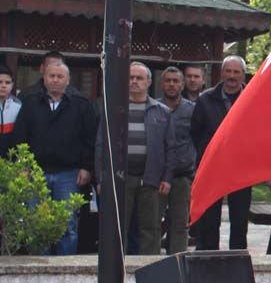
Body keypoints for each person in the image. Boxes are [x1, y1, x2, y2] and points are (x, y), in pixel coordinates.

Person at [11, 62, 96, 254]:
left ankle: (66, 265)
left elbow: (90, 139)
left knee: (67, 225)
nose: (55, 80)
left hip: (69, 174)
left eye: (60, 76)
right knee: (37, 223)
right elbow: (20, 136)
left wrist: (86, 167)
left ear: (68, 80)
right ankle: (41, 265)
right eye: (52, 76)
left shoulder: (81, 104)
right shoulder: (31, 103)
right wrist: (23, 166)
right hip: (36, 174)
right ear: (44, 78)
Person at [95, 62, 175, 254]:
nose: (134, 81)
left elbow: (170, 148)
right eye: (130, 77)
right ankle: (117, 264)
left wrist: (167, 177)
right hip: (121, 178)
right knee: (117, 227)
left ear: (149, 82)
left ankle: (150, 265)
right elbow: (101, 145)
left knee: (150, 228)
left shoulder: (161, 111)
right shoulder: (113, 109)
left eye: (139, 78)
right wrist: (101, 178)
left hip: (151, 179)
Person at [191, 56, 251, 250]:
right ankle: (209, 257)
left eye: (236, 72)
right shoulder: (205, 99)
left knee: (240, 219)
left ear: (243, 75)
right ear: (222, 73)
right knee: (209, 220)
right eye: (228, 71)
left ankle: (237, 258)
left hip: (241, 169)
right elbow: (195, 132)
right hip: (212, 168)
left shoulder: (252, 98)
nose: (232, 76)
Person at [158, 67, 196, 254]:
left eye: (175, 81)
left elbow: (198, 138)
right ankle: (150, 262)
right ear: (161, 84)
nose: (171, 84)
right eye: (168, 81)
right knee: (153, 223)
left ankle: (178, 261)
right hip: (157, 176)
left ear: (182, 84)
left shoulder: (192, 110)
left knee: (180, 224)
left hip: (182, 175)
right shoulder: (154, 108)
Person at [18, 51, 84, 100]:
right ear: (42, 68)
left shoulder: (75, 96)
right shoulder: (27, 95)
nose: (54, 70)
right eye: (50, 66)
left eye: (58, 66)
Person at [0, 65, 20, 155]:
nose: (3, 85)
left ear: (12, 85)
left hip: (10, 156)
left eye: (7, 82)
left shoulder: (19, 106)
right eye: (0, 82)